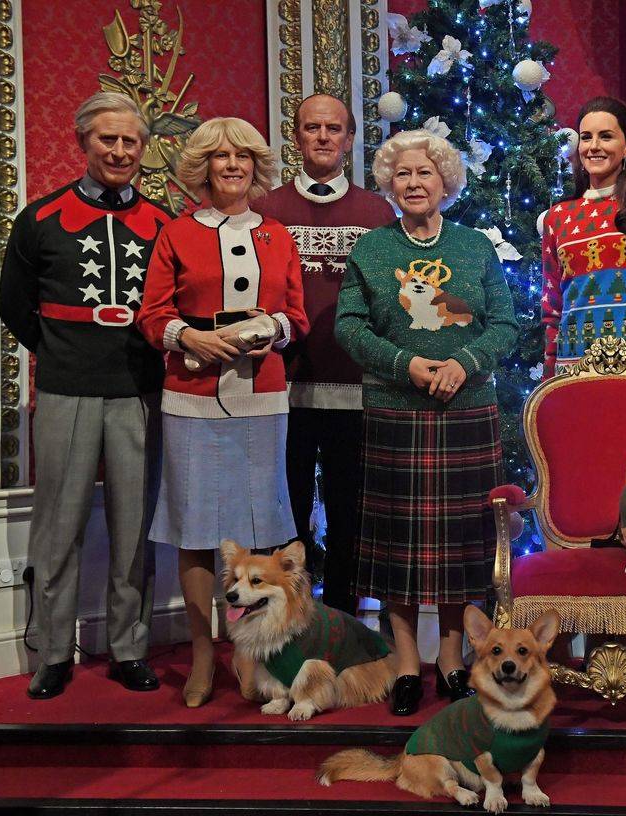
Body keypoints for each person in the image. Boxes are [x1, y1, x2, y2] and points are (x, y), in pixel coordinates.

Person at [335, 129, 518, 716]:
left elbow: (506, 326)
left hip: (467, 413)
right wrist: (406, 364)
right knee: (400, 550)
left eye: (426, 173)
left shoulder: (474, 248)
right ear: (390, 184)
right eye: (404, 175)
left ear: (445, 182)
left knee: (462, 550)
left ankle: (451, 660)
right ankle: (407, 663)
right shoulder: (372, 250)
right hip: (396, 413)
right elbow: (349, 327)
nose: (414, 183)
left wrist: (463, 363)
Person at [0, 91, 171, 700]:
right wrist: (64, 353)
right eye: (108, 139)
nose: (120, 151)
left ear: (143, 149)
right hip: (66, 389)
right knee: (58, 527)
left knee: (133, 528)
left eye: (130, 141)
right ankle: (51, 651)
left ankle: (128, 647)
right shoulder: (40, 218)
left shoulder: (163, 226)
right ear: (84, 143)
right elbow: (14, 308)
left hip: (138, 391)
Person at [136, 117, 309, 707]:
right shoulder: (176, 234)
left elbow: (296, 316)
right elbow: (152, 314)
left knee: (262, 524)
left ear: (256, 168)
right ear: (203, 167)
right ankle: (203, 656)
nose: (232, 166)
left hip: (262, 398)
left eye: (242, 157)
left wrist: (273, 332)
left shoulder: (278, 235)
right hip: (191, 398)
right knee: (195, 530)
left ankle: (253, 650)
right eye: (220, 157)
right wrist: (190, 339)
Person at [254, 94, 394, 614]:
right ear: (297, 137)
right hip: (282, 386)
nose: (322, 137)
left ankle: (342, 616)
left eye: (333, 128)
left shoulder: (376, 213)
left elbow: (388, 299)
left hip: (354, 387)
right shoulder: (268, 210)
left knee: (348, 509)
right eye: (311, 128)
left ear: (350, 139)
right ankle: (290, 619)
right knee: (285, 510)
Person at [540, 96, 626, 375]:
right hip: (576, 368)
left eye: (606, 136)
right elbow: (552, 308)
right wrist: (550, 374)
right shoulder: (558, 218)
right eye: (586, 137)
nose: (594, 146)